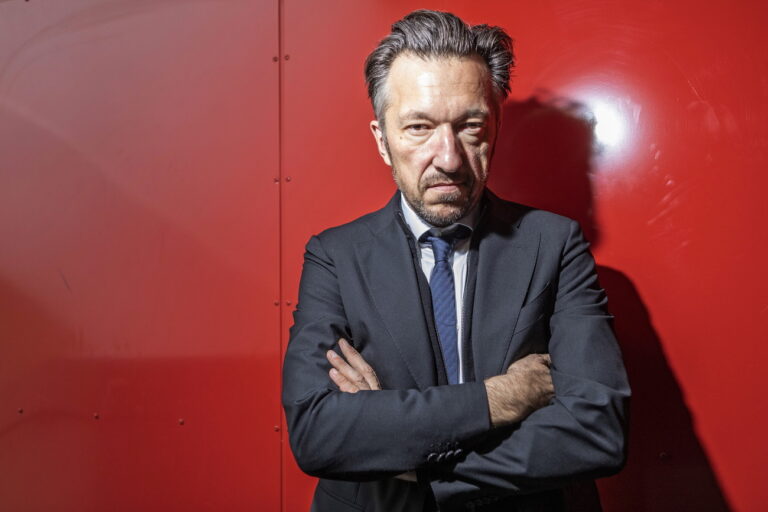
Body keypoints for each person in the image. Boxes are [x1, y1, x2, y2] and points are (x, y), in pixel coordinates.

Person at [281, 9, 630, 512]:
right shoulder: (335, 256)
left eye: (470, 126)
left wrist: (408, 459)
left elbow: (598, 432)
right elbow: (317, 433)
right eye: (419, 127)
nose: (447, 157)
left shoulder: (555, 244)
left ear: (495, 127)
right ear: (383, 141)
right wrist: (501, 398)